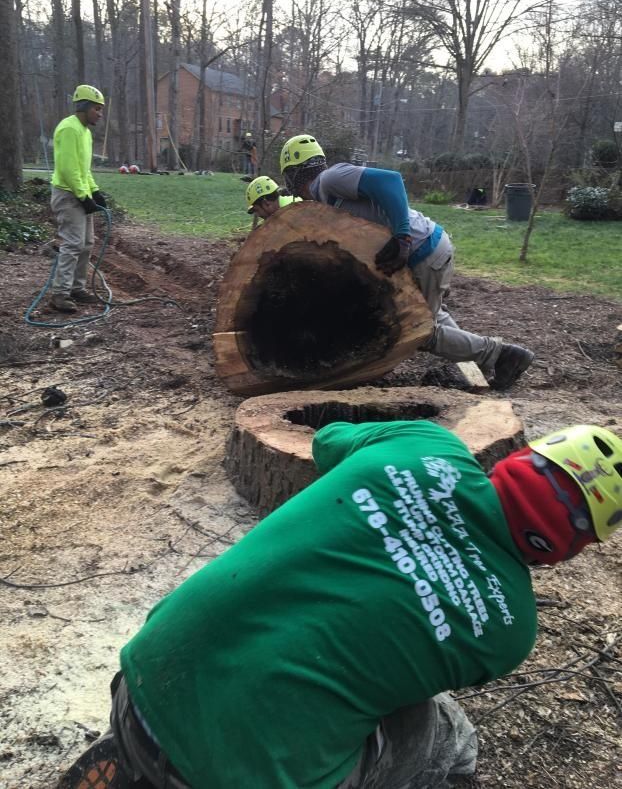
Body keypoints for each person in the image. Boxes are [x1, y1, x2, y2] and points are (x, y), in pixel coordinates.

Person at [57, 420, 622, 789]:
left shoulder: (425, 444)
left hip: (142, 683)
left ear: (519, 458)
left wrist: (393, 497)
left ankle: (135, 760)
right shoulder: (509, 629)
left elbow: (328, 441)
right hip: (238, 777)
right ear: (570, 549)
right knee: (438, 724)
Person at [279, 134, 534, 390]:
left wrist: (403, 236)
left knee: (416, 331)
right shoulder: (325, 196)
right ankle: (480, 360)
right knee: (433, 317)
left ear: (293, 175)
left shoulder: (330, 178)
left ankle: (503, 356)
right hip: (428, 249)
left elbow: (391, 180)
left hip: (423, 251)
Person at [49, 84, 107, 313]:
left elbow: (84, 169)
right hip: (67, 195)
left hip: (80, 193)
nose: (100, 114)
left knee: (87, 243)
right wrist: (83, 196)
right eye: (97, 109)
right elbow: (67, 168)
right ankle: (60, 295)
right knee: (73, 244)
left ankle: (76, 288)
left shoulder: (85, 132)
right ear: (83, 106)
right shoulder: (69, 129)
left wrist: (95, 191)